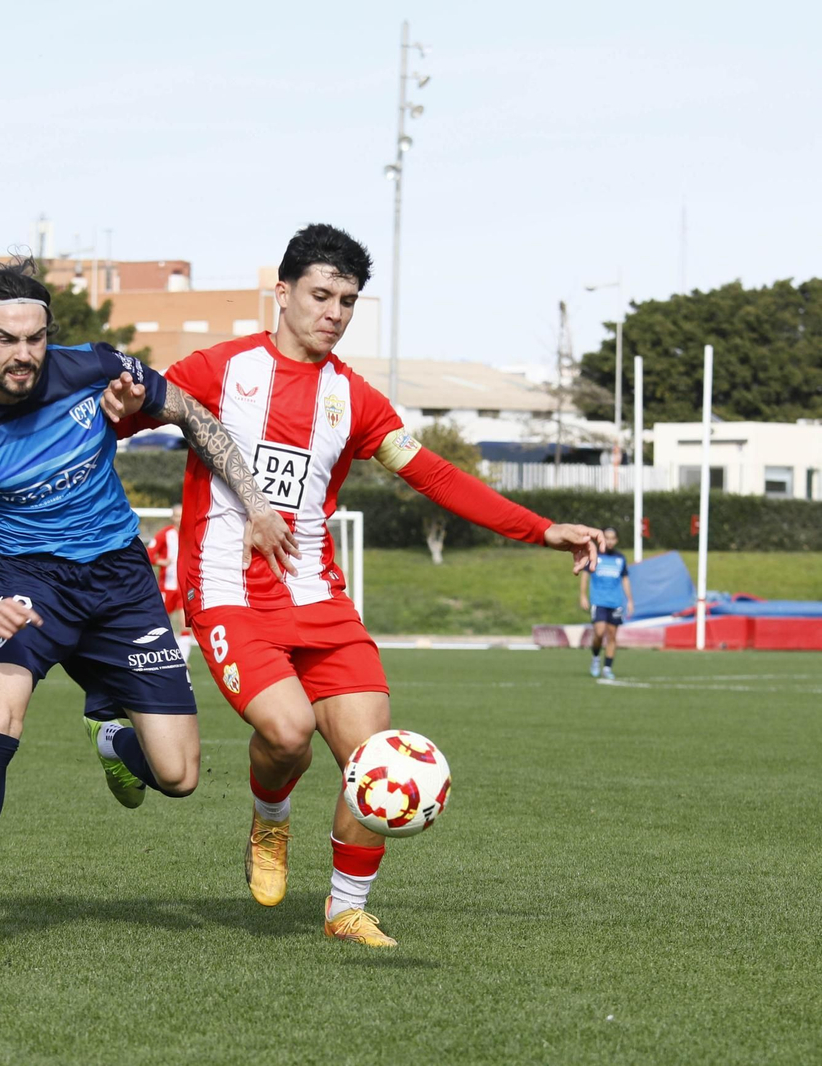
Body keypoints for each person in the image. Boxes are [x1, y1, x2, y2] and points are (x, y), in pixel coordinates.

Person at [106, 224, 604, 947]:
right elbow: (117, 421)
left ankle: (345, 910)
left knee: (376, 760)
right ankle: (270, 819)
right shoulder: (221, 368)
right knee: (287, 734)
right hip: (228, 593)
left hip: (320, 599)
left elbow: (435, 475)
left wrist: (541, 529)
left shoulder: (354, 399)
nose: (333, 313)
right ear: (282, 293)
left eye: (347, 301)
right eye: (320, 295)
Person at [0, 261, 295, 957]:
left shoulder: (96, 368)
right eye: (5, 339)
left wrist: (257, 503)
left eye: (35, 338)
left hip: (121, 583)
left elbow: (193, 415)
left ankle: (111, 737)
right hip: (28, 585)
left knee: (179, 778)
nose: (24, 354)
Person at [580, 526, 634, 680]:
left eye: (612, 538)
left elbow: (625, 580)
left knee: (612, 635)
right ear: (602, 539)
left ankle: (607, 668)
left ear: (616, 540)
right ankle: (596, 658)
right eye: (607, 538)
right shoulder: (594, 555)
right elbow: (585, 575)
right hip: (599, 601)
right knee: (599, 632)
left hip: (615, 602)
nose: (609, 541)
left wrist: (630, 600)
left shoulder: (620, 558)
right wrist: (583, 595)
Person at [146, 502, 192, 660]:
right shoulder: (164, 534)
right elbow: (148, 555)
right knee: (160, 623)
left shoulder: (192, 533)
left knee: (185, 623)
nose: (180, 519)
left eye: (182, 516)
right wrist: (161, 561)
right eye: (177, 516)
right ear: (172, 517)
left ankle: (183, 660)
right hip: (167, 587)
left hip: (185, 587)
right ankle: (158, 653)